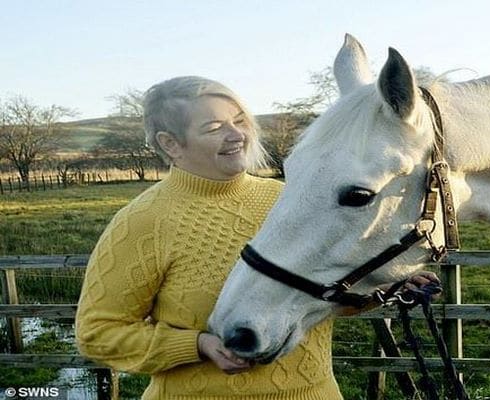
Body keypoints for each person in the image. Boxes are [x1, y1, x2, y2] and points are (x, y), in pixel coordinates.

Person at [75, 76, 343, 399]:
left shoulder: (290, 200)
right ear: (171, 144)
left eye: (239, 120)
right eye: (214, 127)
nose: (237, 135)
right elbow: (96, 332)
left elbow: (329, 295)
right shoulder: (143, 221)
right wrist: (196, 345)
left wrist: (382, 287)